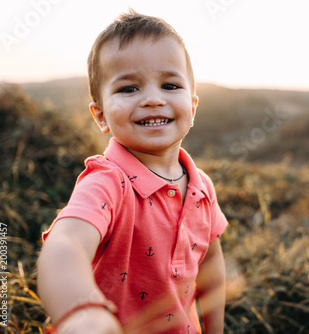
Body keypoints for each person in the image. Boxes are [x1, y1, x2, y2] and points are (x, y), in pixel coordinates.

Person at [37, 10, 228, 334]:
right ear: (100, 116)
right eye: (128, 89)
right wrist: (83, 312)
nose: (153, 99)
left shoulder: (202, 186)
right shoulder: (107, 183)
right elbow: (66, 243)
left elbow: (211, 262)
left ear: (192, 107)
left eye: (169, 85)